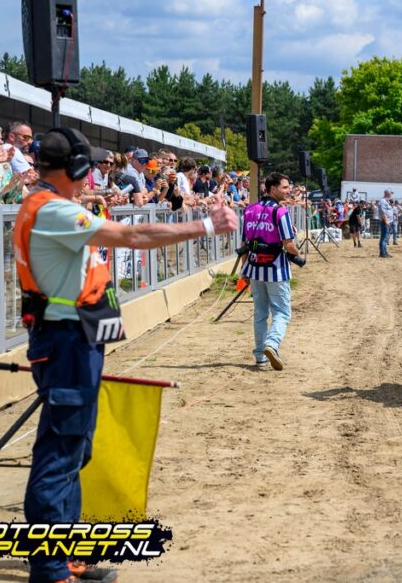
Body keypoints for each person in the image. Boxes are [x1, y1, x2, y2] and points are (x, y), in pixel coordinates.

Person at [16, 127, 237, 583]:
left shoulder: (51, 204)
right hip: (64, 342)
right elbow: (131, 237)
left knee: (75, 450)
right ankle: (50, 567)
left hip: (73, 339)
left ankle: (65, 554)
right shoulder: (51, 209)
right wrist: (206, 226)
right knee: (59, 454)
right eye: (88, 167)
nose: (93, 175)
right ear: (75, 167)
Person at [240, 172, 299, 370]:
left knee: (260, 314)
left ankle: (260, 356)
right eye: (285, 187)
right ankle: (272, 344)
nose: (288, 190)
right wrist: (298, 255)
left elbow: (244, 244)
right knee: (282, 312)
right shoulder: (280, 212)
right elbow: (289, 244)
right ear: (273, 189)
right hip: (276, 270)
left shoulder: (250, 210)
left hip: (255, 269)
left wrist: (244, 270)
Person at [377, 188, 395, 258]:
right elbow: (383, 212)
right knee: (384, 238)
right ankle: (382, 253)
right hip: (385, 222)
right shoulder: (383, 201)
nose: (391, 195)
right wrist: (386, 221)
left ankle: (385, 252)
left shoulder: (386, 201)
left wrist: (391, 205)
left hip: (388, 222)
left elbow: (388, 210)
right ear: (387, 193)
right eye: (390, 193)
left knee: (385, 238)